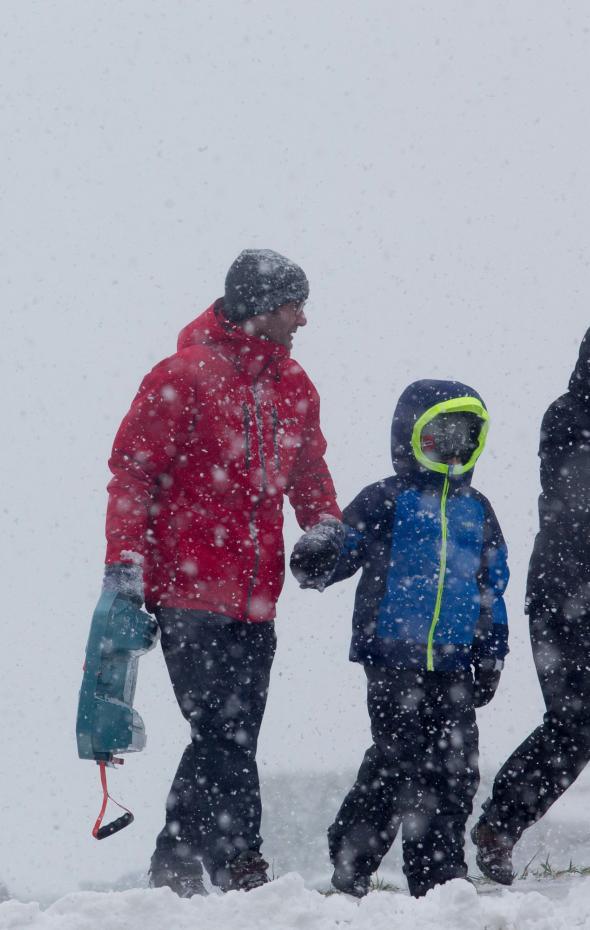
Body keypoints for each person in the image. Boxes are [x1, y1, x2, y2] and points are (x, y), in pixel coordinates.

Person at [101, 249, 341, 896]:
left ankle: (174, 861)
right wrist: (124, 564)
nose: (303, 319)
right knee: (223, 730)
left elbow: (309, 472)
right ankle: (242, 861)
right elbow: (132, 473)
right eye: (295, 305)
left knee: (227, 735)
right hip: (186, 589)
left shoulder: (295, 387)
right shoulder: (181, 376)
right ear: (261, 307)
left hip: (257, 597)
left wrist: (323, 528)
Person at [290, 380, 510, 898]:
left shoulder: (477, 509)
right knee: (398, 761)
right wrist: (317, 556)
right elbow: (343, 550)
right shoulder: (387, 499)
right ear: (411, 435)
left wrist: (493, 651)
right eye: (440, 435)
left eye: (465, 436)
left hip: (456, 662)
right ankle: (352, 855)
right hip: (393, 658)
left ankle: (439, 878)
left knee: (455, 770)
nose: (452, 446)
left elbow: (491, 586)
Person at [472, 328, 590, 885]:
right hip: (567, 592)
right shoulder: (569, 416)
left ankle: (500, 825)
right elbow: (574, 500)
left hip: (564, 585)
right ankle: (500, 826)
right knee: (575, 723)